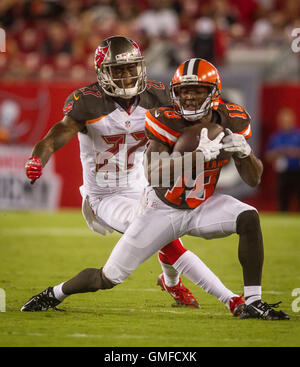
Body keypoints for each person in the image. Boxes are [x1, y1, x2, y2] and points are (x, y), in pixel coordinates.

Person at [21, 37, 245, 315]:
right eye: (118, 70)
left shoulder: (159, 96)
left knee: (166, 233)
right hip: (106, 195)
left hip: (146, 183)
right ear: (103, 72)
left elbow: (197, 112)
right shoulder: (88, 103)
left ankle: (172, 282)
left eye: (131, 68)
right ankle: (229, 299)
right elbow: (54, 137)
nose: (126, 76)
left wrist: (225, 128)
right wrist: (37, 159)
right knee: (163, 235)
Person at [265, 107, 300, 212]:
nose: (285, 123)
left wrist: (292, 152)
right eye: (282, 121)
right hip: (282, 173)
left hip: (297, 171)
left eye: (287, 120)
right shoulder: (275, 136)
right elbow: (267, 156)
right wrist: (277, 153)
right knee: (282, 200)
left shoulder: (298, 135)